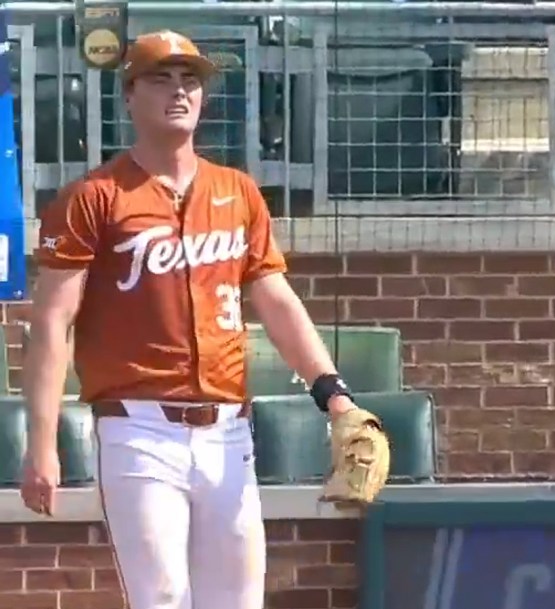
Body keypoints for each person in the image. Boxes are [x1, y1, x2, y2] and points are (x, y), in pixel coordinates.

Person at [19, 30, 363, 609]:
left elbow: (276, 300)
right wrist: (42, 442)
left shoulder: (238, 191)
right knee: (163, 599)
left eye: (191, 80)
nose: (179, 91)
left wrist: (335, 394)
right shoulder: (94, 197)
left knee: (237, 602)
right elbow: (54, 322)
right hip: (137, 429)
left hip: (229, 430)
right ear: (129, 95)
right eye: (160, 77)